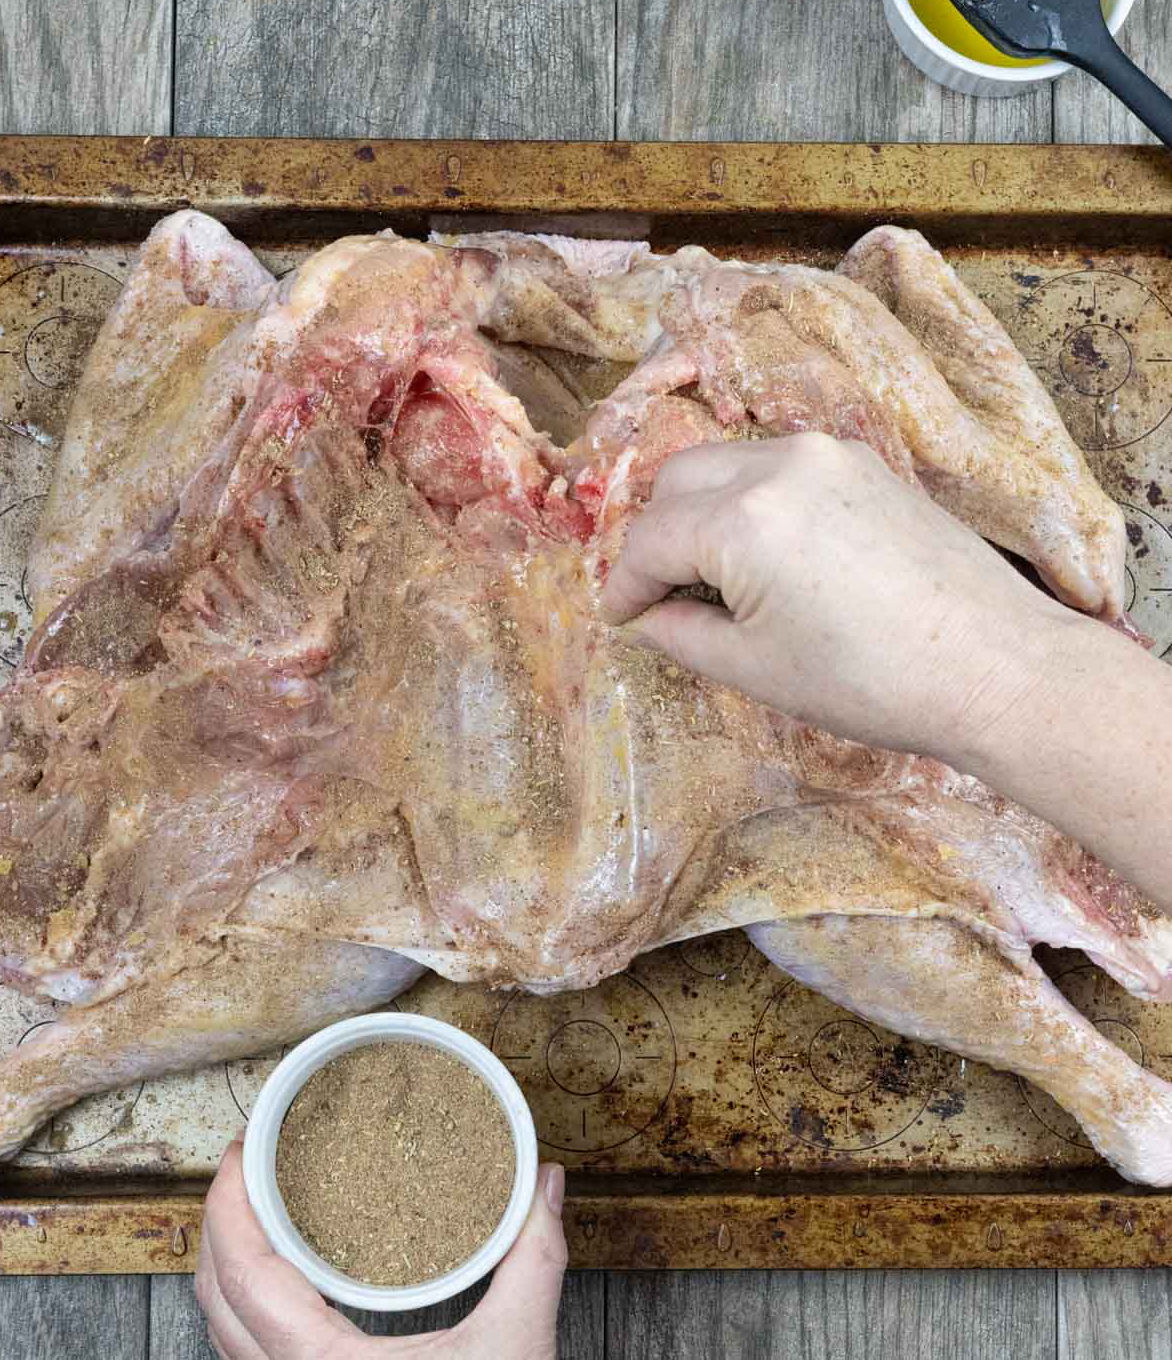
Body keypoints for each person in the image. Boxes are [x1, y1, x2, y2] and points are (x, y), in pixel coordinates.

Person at [197, 433, 1172, 1356]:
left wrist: (995, 674)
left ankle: (1098, 1081)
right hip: (500, 760)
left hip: (730, 736)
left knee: (814, 879)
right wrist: (1003, 667)